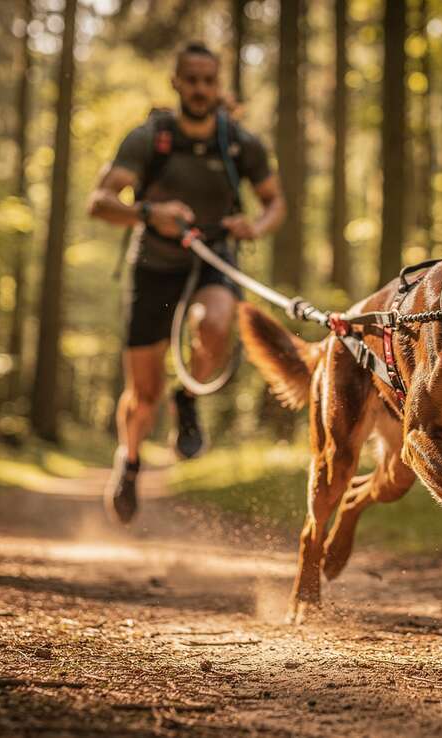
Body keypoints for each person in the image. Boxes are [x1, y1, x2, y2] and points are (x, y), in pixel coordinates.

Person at [87, 41, 286, 524]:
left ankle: (190, 397)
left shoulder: (240, 142)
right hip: (153, 265)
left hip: (213, 256)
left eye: (208, 80)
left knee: (217, 322)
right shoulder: (149, 138)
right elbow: (99, 202)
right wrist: (151, 213)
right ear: (176, 82)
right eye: (191, 79)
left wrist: (253, 227)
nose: (200, 89)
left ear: (218, 86)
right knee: (143, 394)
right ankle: (129, 462)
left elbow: (275, 203)